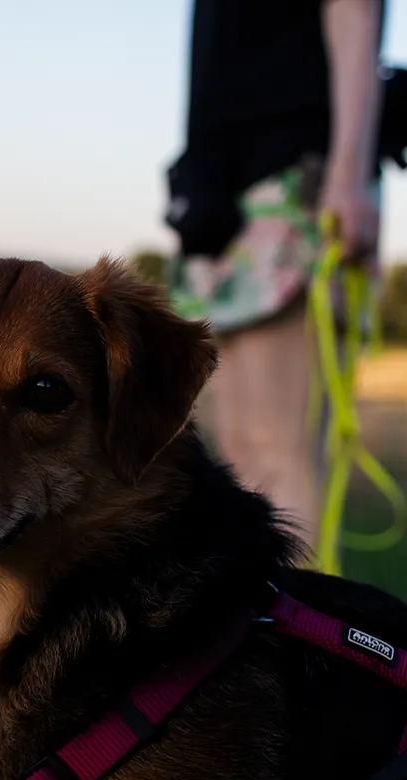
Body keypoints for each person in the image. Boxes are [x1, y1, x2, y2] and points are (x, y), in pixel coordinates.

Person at [165, 0, 389, 553]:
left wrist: (348, 176)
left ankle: (293, 631)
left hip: (294, 181)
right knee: (238, 455)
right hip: (221, 200)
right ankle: (255, 627)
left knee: (281, 451)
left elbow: (357, 10)